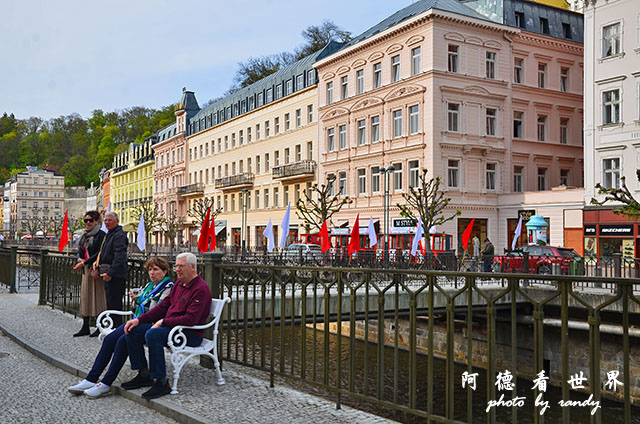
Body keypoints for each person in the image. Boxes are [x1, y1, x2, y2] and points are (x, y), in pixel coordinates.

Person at [67, 257, 174, 398]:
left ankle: (106, 383)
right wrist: (135, 301)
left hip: (152, 324)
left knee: (123, 339)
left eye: (156, 269)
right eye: (149, 269)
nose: (152, 273)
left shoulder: (168, 287)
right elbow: (137, 308)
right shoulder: (150, 286)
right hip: (139, 321)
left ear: (165, 271)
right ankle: (91, 379)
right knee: (110, 339)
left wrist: (140, 313)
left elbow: (159, 311)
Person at [123, 252, 212, 399]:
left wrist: (163, 322)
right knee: (133, 330)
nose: (177, 269)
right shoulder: (179, 284)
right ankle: (144, 374)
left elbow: (191, 319)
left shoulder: (200, 289)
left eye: (181, 266)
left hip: (188, 333)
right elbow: (163, 306)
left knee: (153, 334)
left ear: (193, 267)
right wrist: (139, 320)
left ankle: (161, 382)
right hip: (172, 329)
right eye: (176, 266)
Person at [90, 211, 128, 328]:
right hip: (109, 273)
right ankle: (113, 329)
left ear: (117, 221)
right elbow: (105, 253)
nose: (107, 222)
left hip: (115, 276)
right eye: (105, 220)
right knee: (111, 304)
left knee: (115, 305)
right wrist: (98, 262)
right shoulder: (110, 234)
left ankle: (116, 330)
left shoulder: (119, 235)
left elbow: (119, 257)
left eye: (110, 220)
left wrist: (110, 273)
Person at [72, 211, 107, 337]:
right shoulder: (84, 235)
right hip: (86, 269)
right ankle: (85, 326)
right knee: (86, 297)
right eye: (85, 220)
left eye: (90, 220)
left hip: (95, 269)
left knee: (98, 298)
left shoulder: (101, 235)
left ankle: (100, 326)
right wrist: (79, 259)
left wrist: (85, 261)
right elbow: (79, 250)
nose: (87, 222)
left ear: (97, 221)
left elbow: (100, 253)